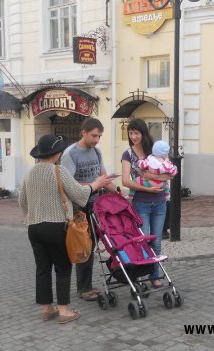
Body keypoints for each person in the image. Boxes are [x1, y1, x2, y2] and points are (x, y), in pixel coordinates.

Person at [19, 133, 113, 324]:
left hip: (34, 228)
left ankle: (46, 309)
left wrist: (34, 214)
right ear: (57, 153)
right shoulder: (58, 171)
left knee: (43, 268)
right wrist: (97, 184)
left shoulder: (30, 173)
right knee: (63, 267)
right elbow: (79, 194)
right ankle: (64, 311)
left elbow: (21, 201)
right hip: (56, 226)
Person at [61, 117, 118, 302]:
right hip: (79, 207)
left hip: (96, 204)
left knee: (92, 245)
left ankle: (86, 284)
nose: (96, 140)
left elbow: (102, 177)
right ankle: (83, 288)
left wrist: (118, 194)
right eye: (94, 135)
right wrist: (96, 184)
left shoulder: (97, 152)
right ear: (83, 132)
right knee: (83, 246)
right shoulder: (70, 154)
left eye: (99, 136)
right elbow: (68, 185)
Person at [121, 119, 174, 288]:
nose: (133, 136)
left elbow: (169, 174)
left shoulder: (155, 150)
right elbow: (125, 181)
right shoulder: (128, 154)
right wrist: (148, 189)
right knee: (143, 240)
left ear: (143, 133)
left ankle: (154, 275)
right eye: (131, 133)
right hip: (141, 203)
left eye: (136, 133)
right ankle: (141, 275)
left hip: (159, 203)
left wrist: (153, 178)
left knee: (157, 241)